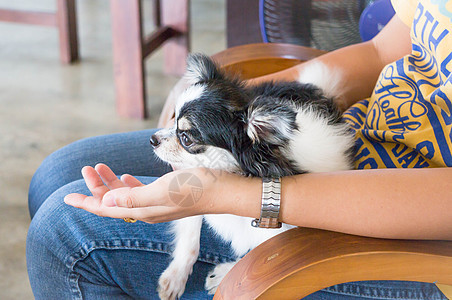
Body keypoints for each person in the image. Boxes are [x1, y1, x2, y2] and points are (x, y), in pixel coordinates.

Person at [27, 0, 451, 299]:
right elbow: (384, 49)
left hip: (417, 236)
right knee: (58, 171)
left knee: (65, 235)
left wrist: (231, 194)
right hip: (362, 131)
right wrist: (227, 104)